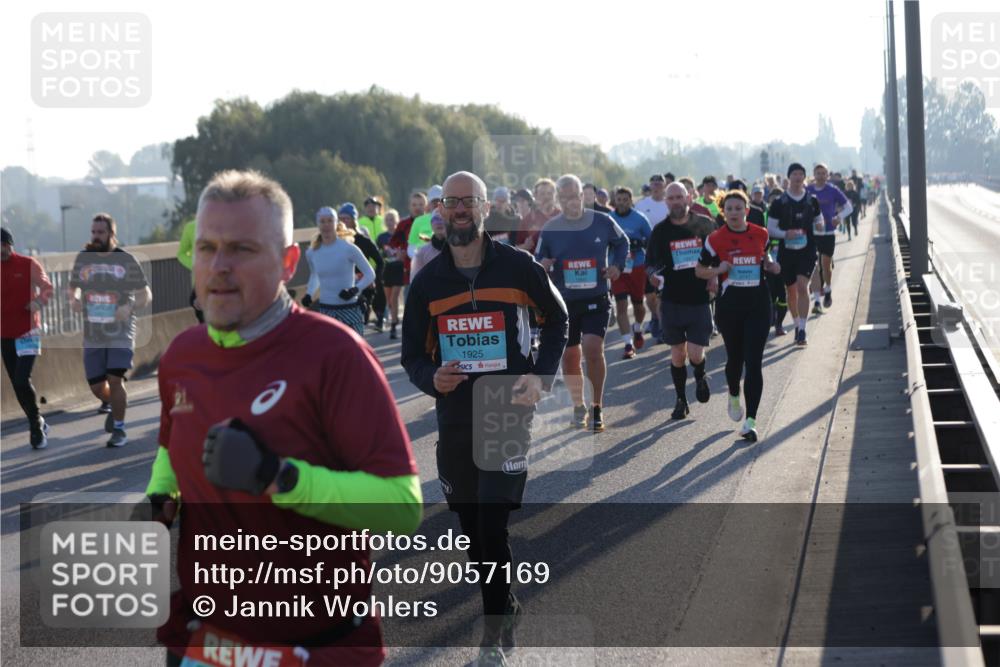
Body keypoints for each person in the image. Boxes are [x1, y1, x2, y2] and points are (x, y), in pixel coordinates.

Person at [144, 170, 421, 666]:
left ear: (289, 262)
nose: (219, 266)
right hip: (209, 640)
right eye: (206, 248)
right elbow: (171, 441)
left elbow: (400, 508)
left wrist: (278, 476)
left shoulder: (335, 354)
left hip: (316, 646)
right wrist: (163, 493)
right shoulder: (181, 356)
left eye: (242, 249)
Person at [401, 170, 568, 666]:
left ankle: (492, 627)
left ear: (484, 209)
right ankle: (506, 602)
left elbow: (557, 319)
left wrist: (540, 376)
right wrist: (432, 378)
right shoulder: (428, 281)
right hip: (454, 413)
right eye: (451, 202)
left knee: (492, 521)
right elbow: (413, 354)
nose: (458, 210)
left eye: (467, 201)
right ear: (441, 211)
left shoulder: (518, 267)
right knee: (472, 524)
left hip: (505, 408)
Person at [536, 174, 628, 432]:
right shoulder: (551, 228)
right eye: (564, 198)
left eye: (574, 196)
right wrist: (542, 265)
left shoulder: (602, 221)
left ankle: (597, 406)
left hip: (596, 297)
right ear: (559, 199)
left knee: (592, 348)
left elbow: (622, 243)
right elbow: (539, 257)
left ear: (582, 195)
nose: (570, 202)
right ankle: (579, 405)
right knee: (569, 357)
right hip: (564, 302)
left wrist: (616, 267)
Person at [695, 189, 781, 442]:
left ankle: (751, 421)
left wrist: (771, 264)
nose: (734, 212)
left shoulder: (760, 233)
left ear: (746, 210)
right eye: (729, 208)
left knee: (754, 361)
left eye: (738, 208)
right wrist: (717, 269)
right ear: (723, 211)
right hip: (729, 306)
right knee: (735, 359)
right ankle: (734, 393)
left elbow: (766, 256)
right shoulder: (715, 238)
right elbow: (699, 270)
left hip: (758, 304)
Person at [67, 213, 151, 448]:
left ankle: (120, 429)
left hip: (121, 330)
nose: (95, 236)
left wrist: (130, 306)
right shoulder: (84, 258)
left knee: (115, 379)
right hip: (93, 330)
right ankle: (117, 405)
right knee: (96, 386)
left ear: (112, 234)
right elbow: (73, 288)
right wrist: (73, 300)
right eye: (93, 232)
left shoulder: (126, 260)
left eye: (100, 232)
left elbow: (146, 294)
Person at [645, 184, 716, 419]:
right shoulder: (660, 232)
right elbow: (650, 263)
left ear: (688, 197)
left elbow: (719, 254)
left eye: (679, 197)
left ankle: (700, 374)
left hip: (698, 300)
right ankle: (680, 400)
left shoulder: (705, 224)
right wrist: (652, 275)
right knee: (677, 354)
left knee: (695, 354)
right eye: (671, 198)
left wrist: (714, 276)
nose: (676, 201)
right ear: (666, 201)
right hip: (671, 300)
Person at [1, 227, 54, 449]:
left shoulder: (27, 264)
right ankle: (37, 420)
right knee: (17, 385)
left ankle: (34, 424)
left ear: (8, 244)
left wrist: (38, 303)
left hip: (28, 331)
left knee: (23, 379)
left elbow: (48, 288)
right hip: (4, 333)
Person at [768, 163, 823, 346]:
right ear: (789, 177)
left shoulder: (811, 200)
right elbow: (771, 229)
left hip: (807, 250)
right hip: (786, 252)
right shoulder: (779, 202)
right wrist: (785, 234)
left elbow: (818, 218)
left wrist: (821, 225)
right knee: (791, 291)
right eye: (795, 174)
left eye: (801, 174)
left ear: (805, 177)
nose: (798, 177)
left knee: (802, 286)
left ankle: (802, 329)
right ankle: (796, 321)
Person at [303, 206, 377, 335]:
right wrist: (309, 293)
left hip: (350, 308)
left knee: (354, 352)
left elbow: (370, 274)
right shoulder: (312, 252)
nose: (326, 225)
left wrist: (354, 290)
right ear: (318, 224)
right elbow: (315, 275)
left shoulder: (349, 248)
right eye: (322, 221)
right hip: (326, 310)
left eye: (330, 221)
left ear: (336, 223)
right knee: (330, 352)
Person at [608, 187, 652, 359]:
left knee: (639, 305)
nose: (622, 202)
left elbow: (651, 240)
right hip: (617, 267)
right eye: (619, 199)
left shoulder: (640, 219)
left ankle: (638, 328)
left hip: (637, 266)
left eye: (625, 199)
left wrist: (639, 241)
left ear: (630, 200)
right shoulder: (609, 219)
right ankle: (627, 344)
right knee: (620, 305)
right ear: (615, 201)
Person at [806, 163, 852, 312]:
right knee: (815, 266)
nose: (820, 176)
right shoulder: (808, 190)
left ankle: (828, 289)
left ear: (827, 175)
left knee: (826, 265)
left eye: (823, 173)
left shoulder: (833, 190)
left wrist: (838, 217)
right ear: (814, 175)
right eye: (818, 173)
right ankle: (817, 302)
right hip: (812, 233)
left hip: (828, 233)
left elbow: (849, 207)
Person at [339, 203, 385, 328]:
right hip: (343, 285)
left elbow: (379, 261)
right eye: (340, 219)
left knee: (359, 320)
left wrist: (376, 278)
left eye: (346, 219)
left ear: (354, 220)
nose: (342, 222)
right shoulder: (335, 243)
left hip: (364, 285)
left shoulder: (364, 240)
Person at [391, 191, 427, 292]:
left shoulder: (431, 222)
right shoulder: (403, 224)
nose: (417, 207)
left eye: (421, 204)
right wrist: (398, 253)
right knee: (410, 303)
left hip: (428, 269)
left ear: (426, 206)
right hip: (408, 272)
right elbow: (393, 244)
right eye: (414, 204)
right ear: (409, 206)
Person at [379, 208, 406, 338]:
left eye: (392, 219)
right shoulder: (381, 237)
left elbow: (407, 249)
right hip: (387, 269)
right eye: (388, 220)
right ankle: (394, 319)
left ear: (397, 221)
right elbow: (377, 254)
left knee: (395, 296)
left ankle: (394, 325)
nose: (390, 222)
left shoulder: (401, 235)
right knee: (389, 299)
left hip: (399, 269)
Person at [515, 178, 560, 253]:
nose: (546, 197)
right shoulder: (527, 220)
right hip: (536, 263)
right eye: (542, 194)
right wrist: (525, 246)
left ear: (555, 195)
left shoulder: (563, 217)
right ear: (535, 196)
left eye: (550, 193)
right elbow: (516, 248)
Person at [176, 218, 203, 324]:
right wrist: (194, 264)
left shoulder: (228, 225)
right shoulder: (191, 227)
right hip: (199, 286)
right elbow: (181, 254)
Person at [408, 185, 443, 258]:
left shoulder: (449, 219)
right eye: (434, 201)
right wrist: (419, 258)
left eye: (439, 201)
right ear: (429, 204)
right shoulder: (418, 221)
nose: (437, 204)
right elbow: (411, 246)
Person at [410, 211, 447, 279]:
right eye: (436, 219)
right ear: (431, 224)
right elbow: (415, 279)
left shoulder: (457, 249)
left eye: (442, 219)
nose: (439, 223)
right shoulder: (422, 252)